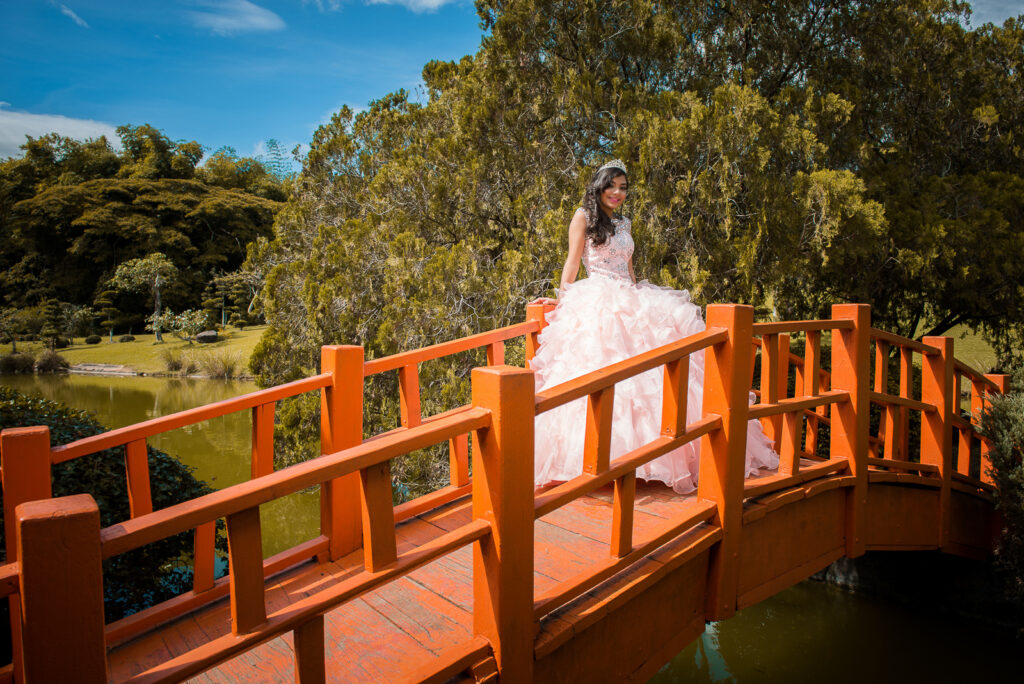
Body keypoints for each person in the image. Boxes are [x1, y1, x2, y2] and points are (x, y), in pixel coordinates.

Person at [530, 159, 778, 493]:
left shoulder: (625, 223)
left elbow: (629, 271)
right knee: (602, 371)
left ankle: (657, 458)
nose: (618, 193)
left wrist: (639, 295)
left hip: (630, 297)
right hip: (598, 299)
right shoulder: (583, 217)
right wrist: (562, 300)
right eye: (612, 186)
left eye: (623, 188)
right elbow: (572, 264)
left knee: (655, 373)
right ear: (599, 186)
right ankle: (592, 459)